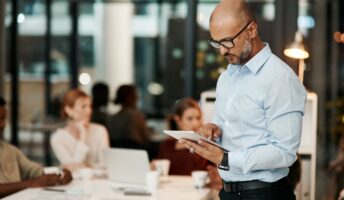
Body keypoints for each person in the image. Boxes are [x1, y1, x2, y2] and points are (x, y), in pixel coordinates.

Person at [179, 1, 307, 199]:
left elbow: (284, 152)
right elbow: (226, 127)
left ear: (252, 30)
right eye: (216, 43)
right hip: (228, 191)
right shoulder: (227, 77)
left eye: (228, 41)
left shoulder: (280, 78)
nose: (222, 51)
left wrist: (226, 159)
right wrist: (213, 129)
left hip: (264, 195)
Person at [0, 97, 72, 198]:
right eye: (0, 119)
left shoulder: (9, 150)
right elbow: (33, 181)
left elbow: (35, 171)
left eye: (3, 119)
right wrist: (30, 183)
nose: (3, 124)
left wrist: (60, 173)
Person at [50, 89, 110, 171]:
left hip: (98, 181)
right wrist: (82, 136)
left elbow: (106, 165)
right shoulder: (57, 138)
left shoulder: (100, 130)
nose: (89, 110)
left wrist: (84, 166)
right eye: (83, 106)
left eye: (90, 106)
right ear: (68, 110)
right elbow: (71, 169)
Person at [156, 98, 209, 175]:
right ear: (178, 120)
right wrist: (154, 169)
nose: (196, 123)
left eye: (198, 118)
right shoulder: (166, 145)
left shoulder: (205, 146)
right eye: (190, 119)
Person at [108, 85, 151, 149]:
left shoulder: (112, 118)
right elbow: (147, 138)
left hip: (117, 153)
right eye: (135, 95)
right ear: (129, 98)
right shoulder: (136, 115)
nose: (137, 98)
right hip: (136, 152)